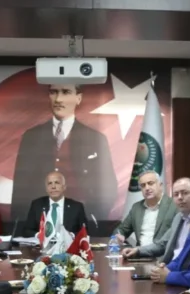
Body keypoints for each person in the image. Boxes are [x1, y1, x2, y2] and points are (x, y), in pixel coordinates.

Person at [11, 84, 116, 221]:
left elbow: (109, 187)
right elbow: (20, 188)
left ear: (78, 98)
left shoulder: (95, 138)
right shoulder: (31, 136)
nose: (58, 99)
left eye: (66, 92)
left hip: (80, 220)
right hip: (40, 220)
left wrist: (92, 218)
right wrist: (22, 223)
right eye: (53, 92)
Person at [123, 177, 190, 264]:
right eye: (176, 194)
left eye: (185, 193)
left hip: (183, 269)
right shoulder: (178, 218)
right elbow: (162, 244)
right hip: (168, 266)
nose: (180, 197)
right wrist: (137, 250)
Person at [113, 171, 177, 247]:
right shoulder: (136, 208)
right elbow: (121, 230)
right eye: (143, 185)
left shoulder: (174, 205)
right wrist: (118, 235)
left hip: (163, 253)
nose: (147, 188)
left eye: (150, 183)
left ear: (160, 185)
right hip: (139, 253)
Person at [22, 171, 89, 237]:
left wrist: (70, 235)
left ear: (64, 187)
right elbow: (27, 230)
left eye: (57, 183)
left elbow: (85, 231)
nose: (53, 186)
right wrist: (39, 235)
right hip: (43, 243)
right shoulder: (37, 205)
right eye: (50, 183)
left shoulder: (77, 207)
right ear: (46, 188)